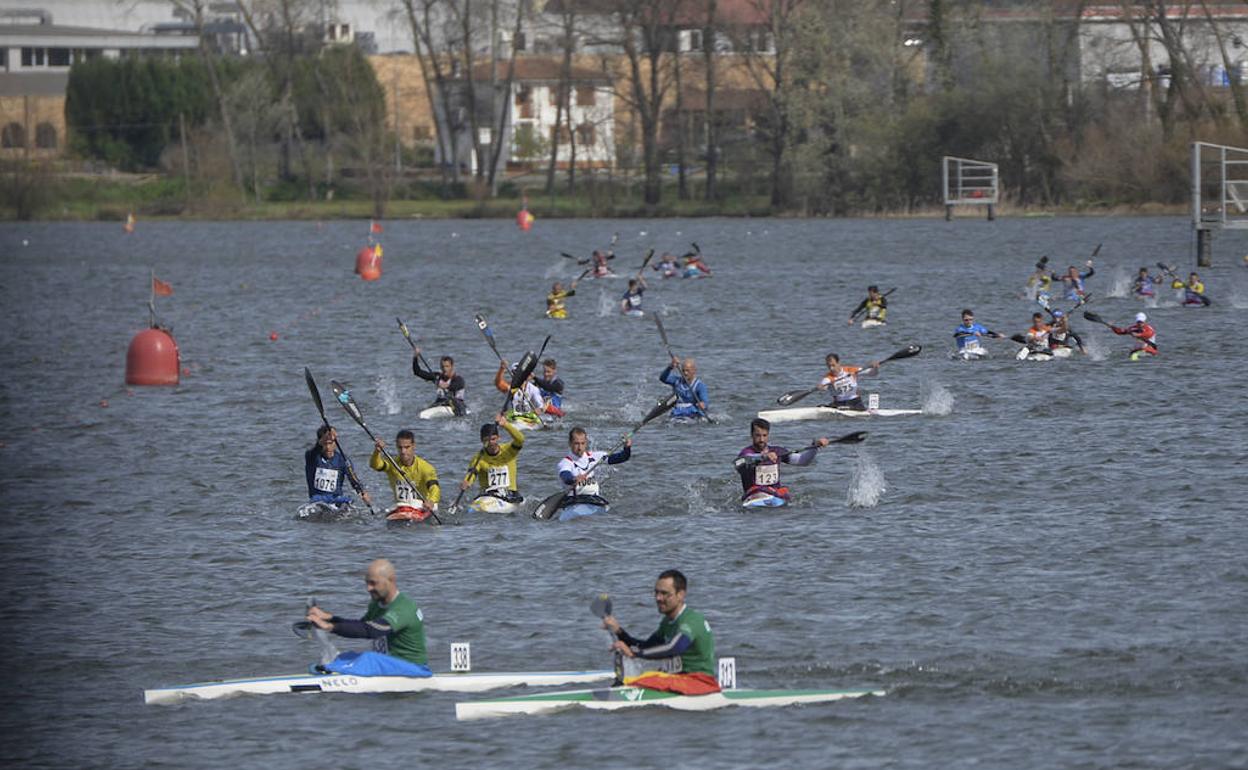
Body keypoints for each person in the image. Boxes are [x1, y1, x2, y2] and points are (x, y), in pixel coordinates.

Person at [305, 559, 427, 666]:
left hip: (411, 668)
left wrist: (329, 627)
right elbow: (362, 626)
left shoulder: (404, 608)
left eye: (373, 583)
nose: (368, 588)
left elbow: (372, 631)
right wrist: (328, 618)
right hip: (387, 663)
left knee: (368, 658)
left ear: (391, 580)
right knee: (344, 657)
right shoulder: (376, 603)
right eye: (367, 583)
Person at [601, 569, 716, 679]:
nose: (658, 598)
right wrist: (618, 631)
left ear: (680, 594)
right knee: (644, 677)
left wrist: (634, 653)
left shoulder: (691, 620)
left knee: (641, 681)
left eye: (664, 593)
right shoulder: (667, 622)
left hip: (699, 681)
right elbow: (645, 647)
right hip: (679, 679)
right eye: (656, 592)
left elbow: (675, 647)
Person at [733, 418, 830, 503]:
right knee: (757, 491)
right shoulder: (746, 453)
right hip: (754, 495)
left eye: (764, 435)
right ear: (752, 435)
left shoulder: (777, 451)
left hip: (774, 495)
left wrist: (814, 447)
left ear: (768, 435)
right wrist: (763, 457)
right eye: (757, 435)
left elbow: (802, 461)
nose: (761, 439)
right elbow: (742, 462)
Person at [460, 414, 525, 505]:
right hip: (488, 495)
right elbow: (472, 473)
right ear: (482, 440)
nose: (491, 443)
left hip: (510, 495)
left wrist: (505, 425)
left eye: (493, 439)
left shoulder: (509, 450)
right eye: (487, 440)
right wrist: (467, 482)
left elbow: (520, 439)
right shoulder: (478, 458)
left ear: (498, 438)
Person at [369, 430, 439, 512]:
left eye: (407, 447)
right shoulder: (392, 464)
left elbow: (434, 488)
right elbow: (375, 465)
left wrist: (431, 501)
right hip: (401, 506)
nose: (403, 451)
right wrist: (377, 452)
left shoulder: (426, 468)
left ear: (413, 446)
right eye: (400, 447)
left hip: (423, 506)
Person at [305, 425, 371, 506]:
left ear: (335, 443)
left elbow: (353, 479)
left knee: (349, 502)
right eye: (325, 444)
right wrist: (323, 439)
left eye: (331, 443)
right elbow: (315, 449)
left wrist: (363, 492)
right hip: (318, 500)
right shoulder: (312, 457)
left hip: (336, 499)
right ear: (320, 443)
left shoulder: (342, 459)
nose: (328, 447)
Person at [557, 426, 631, 495]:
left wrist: (627, 447)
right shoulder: (565, 462)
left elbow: (623, 457)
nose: (580, 447)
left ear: (586, 443)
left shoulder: (595, 456)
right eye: (576, 444)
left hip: (593, 500)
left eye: (582, 443)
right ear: (570, 443)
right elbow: (565, 476)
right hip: (574, 500)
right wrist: (574, 479)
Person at [412, 350, 467, 416]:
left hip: (456, 403)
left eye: (447, 366)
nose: (444, 369)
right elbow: (418, 372)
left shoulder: (458, 379)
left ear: (452, 366)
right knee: (420, 414)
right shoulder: (437, 377)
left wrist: (446, 386)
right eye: (442, 366)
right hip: (440, 402)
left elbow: (454, 386)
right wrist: (415, 357)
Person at [494, 360, 546, 426]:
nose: (519, 376)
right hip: (512, 416)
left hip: (527, 416)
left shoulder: (533, 389)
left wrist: (539, 410)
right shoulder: (510, 387)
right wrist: (502, 369)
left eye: (521, 373)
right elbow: (498, 384)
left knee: (536, 419)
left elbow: (541, 406)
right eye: (516, 373)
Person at [659, 356, 709, 420]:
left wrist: (702, 404)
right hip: (676, 414)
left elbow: (705, 402)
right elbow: (662, 378)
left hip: (691, 415)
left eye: (688, 371)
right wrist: (670, 367)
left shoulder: (700, 386)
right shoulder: (676, 381)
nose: (685, 373)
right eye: (683, 370)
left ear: (694, 371)